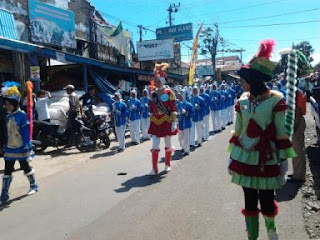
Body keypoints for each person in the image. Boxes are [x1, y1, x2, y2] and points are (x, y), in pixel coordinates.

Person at [228, 40, 296, 240]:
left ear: (255, 79)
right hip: (245, 158)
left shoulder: (276, 100)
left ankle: (272, 233)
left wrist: (284, 162)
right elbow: (238, 132)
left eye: (244, 79)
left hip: (267, 157)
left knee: (267, 200)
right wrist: (231, 158)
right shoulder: (241, 101)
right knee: (249, 200)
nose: (241, 82)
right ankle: (252, 236)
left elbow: (281, 133)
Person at [0, 82, 39, 205]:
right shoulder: (7, 117)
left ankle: (34, 185)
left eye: (9, 104)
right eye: (6, 104)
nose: (7, 107)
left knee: (25, 167)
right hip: (10, 148)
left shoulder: (22, 116)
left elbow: (25, 132)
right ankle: (4, 195)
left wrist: (28, 145)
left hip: (21, 147)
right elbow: (6, 133)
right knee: (7, 171)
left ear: (15, 104)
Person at [148, 63, 178, 175]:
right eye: (155, 80)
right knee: (155, 145)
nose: (155, 82)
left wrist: (174, 122)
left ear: (162, 80)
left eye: (157, 80)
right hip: (156, 121)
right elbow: (151, 109)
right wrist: (149, 120)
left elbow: (173, 108)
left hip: (166, 120)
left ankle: (167, 164)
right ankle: (154, 168)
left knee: (168, 143)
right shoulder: (153, 94)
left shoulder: (169, 92)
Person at [288, 87, 307, 183]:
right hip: (296, 120)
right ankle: (297, 172)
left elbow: (298, 109)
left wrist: (294, 124)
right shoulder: (297, 91)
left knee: (298, 149)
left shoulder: (297, 92)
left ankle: (299, 176)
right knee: (295, 148)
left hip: (297, 121)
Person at [177, 89, 194, 156]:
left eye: (181, 95)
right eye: (179, 96)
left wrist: (186, 113)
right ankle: (183, 147)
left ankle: (187, 150)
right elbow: (177, 112)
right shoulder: (179, 104)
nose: (180, 97)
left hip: (186, 123)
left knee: (186, 137)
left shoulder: (189, 105)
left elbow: (192, 113)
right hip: (180, 123)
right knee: (180, 137)